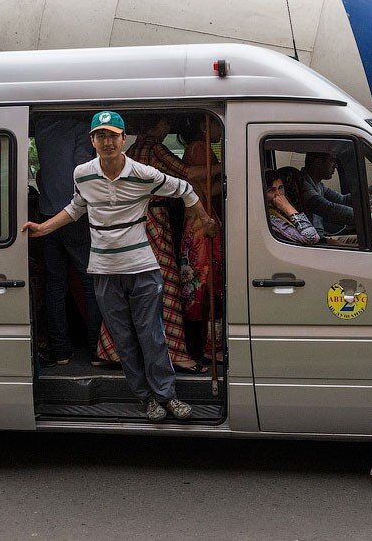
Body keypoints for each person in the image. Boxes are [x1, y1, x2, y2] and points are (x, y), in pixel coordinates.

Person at [22, 111, 217, 422]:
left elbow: (186, 190)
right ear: (92, 141)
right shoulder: (82, 173)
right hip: (103, 271)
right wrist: (44, 228)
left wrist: (204, 220)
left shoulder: (143, 173)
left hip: (141, 268)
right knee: (124, 342)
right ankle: (146, 398)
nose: (107, 141)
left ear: (124, 139)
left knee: (152, 336)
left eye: (113, 135)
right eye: (101, 136)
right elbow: (76, 206)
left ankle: (167, 395)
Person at [107, 113, 218, 374]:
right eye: (167, 123)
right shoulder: (153, 148)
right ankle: (177, 352)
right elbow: (187, 173)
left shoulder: (135, 148)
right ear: (157, 124)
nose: (169, 128)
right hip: (154, 221)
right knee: (165, 284)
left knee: (131, 289)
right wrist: (226, 165)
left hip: (135, 221)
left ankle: (110, 350)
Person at [33, 115, 99, 366]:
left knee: (55, 284)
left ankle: (60, 349)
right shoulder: (80, 129)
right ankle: (96, 348)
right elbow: (83, 173)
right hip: (73, 215)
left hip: (47, 214)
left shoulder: (41, 126)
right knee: (90, 281)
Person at [178, 115, 225, 363]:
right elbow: (205, 189)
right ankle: (208, 346)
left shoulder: (194, 148)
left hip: (196, 225)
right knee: (207, 286)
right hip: (202, 225)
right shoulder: (200, 149)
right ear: (206, 126)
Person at [299, 151, 356, 237]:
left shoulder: (318, 185)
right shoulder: (303, 185)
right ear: (318, 163)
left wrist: (371, 192)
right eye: (332, 161)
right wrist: (364, 216)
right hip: (315, 243)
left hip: (320, 238)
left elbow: (344, 200)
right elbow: (329, 209)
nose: (336, 166)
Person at [265, 170, 321, 245]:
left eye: (280, 187)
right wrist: (288, 207)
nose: (278, 194)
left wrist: (325, 241)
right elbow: (312, 237)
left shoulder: (279, 210)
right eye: (271, 190)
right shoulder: (271, 218)